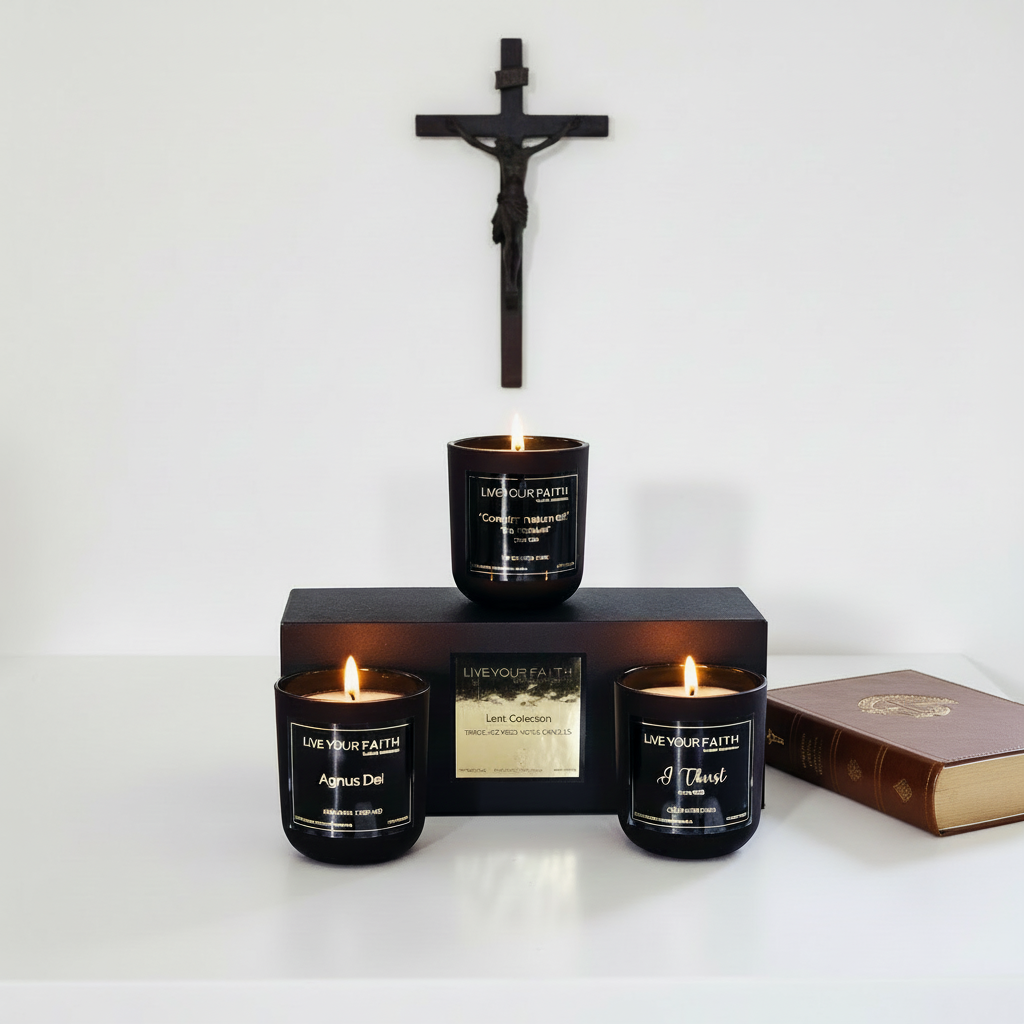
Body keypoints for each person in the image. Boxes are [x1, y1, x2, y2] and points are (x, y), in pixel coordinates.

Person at [446, 117, 580, 308]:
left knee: (516, 241)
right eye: (498, 145)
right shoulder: (502, 156)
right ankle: (510, 282)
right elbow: (475, 143)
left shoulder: (524, 154)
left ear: (508, 142)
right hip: (507, 203)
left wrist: (567, 128)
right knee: (510, 240)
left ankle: (512, 278)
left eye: (501, 144)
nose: (498, 146)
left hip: (519, 204)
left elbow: (550, 141)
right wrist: (458, 129)